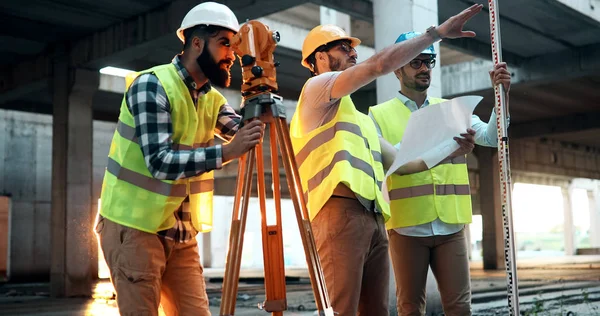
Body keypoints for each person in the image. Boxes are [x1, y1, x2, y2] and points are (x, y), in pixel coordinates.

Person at [289, 4, 484, 315]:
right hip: (338, 212)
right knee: (341, 309)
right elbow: (378, 65)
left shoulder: (359, 118)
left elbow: (406, 164)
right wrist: (436, 34)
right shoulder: (315, 91)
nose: (353, 54)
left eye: (353, 49)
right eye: (343, 48)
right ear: (320, 58)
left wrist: (452, 149)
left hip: (373, 219)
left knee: (376, 310)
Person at [95, 2, 264, 315]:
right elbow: (159, 161)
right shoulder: (152, 85)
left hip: (181, 234)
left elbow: (243, 131)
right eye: (224, 44)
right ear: (196, 43)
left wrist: (259, 92)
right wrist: (227, 152)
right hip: (134, 229)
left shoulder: (211, 99)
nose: (231, 55)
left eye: (234, 46)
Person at [368, 31, 512, 316]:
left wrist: (502, 96)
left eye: (429, 62)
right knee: (410, 308)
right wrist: (443, 149)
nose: (424, 68)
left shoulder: (451, 111)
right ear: (397, 69)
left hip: (451, 226)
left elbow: (492, 137)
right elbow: (389, 162)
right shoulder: (377, 116)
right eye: (416, 62)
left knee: (460, 308)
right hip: (407, 227)